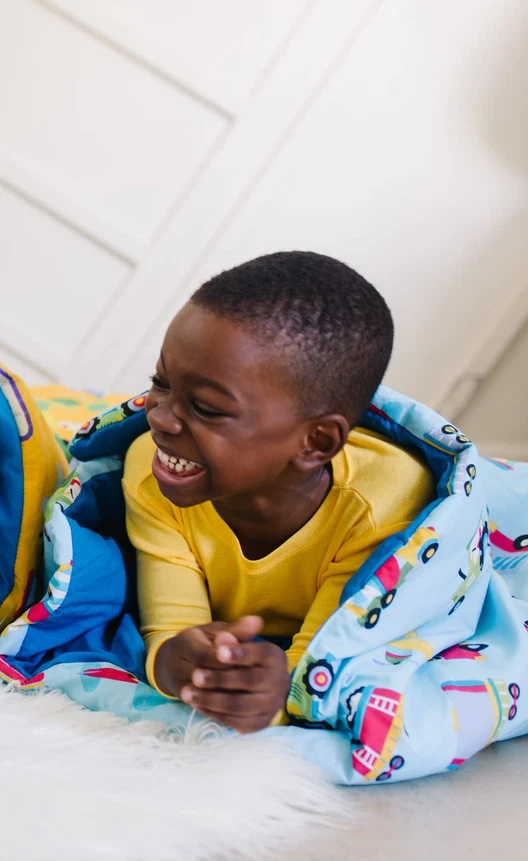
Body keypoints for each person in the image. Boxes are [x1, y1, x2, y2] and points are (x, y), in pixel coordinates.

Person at [123, 251, 434, 733]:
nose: (160, 418)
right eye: (160, 383)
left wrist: (275, 695)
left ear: (316, 443)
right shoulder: (151, 470)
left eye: (205, 408)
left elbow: (323, 664)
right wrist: (176, 664)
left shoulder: (381, 507)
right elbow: (173, 631)